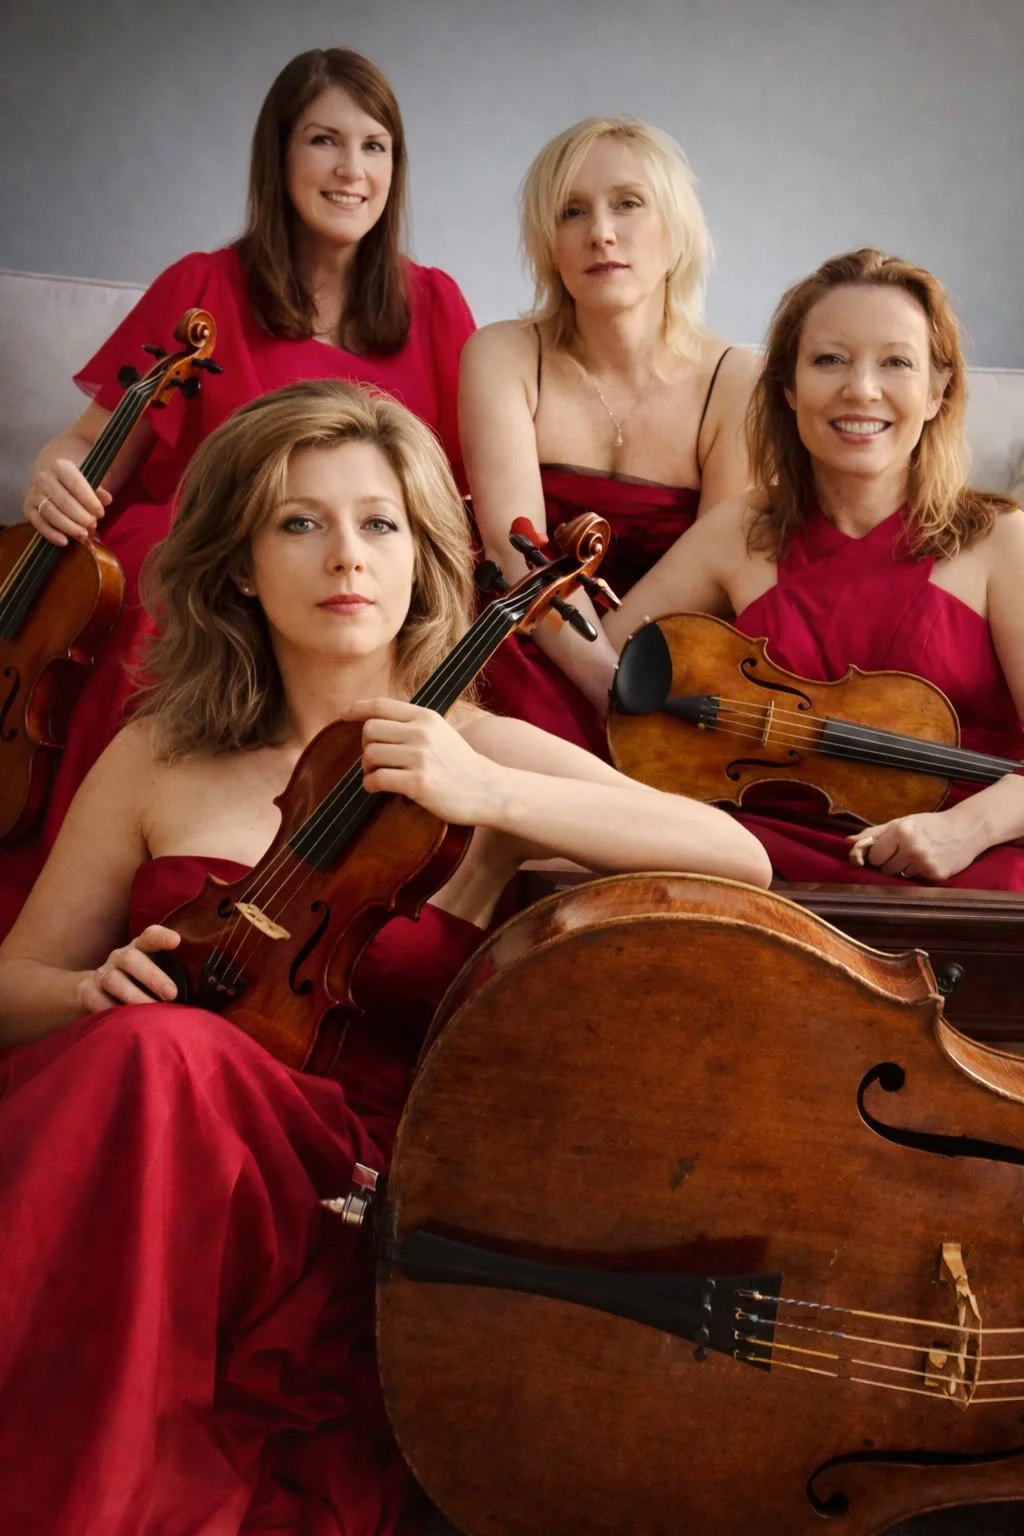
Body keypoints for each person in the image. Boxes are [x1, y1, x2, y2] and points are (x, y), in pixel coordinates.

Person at [0, 379, 769, 1535]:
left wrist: (486, 789)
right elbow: (15, 985)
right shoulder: (158, 753)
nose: (343, 556)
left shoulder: (471, 744)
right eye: (298, 523)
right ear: (243, 566)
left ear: (419, 556)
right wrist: (83, 988)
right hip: (147, 1134)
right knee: (150, 1054)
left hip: (337, 1190)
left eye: (378, 523)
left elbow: (737, 855)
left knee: (156, 1062)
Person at [2, 45, 475, 937]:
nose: (351, 170)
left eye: (375, 147)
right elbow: (88, 445)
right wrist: (49, 475)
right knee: (154, 575)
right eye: (325, 141)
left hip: (355, 572)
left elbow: (456, 500)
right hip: (210, 562)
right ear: (279, 157)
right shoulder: (204, 287)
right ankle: (98, 895)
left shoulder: (436, 304)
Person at [605, 247, 1024, 889]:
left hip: (964, 863)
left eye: (896, 362)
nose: (861, 388)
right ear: (789, 389)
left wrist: (969, 828)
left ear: (939, 389)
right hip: (761, 861)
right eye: (830, 360)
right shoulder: (742, 530)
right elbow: (611, 672)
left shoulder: (1001, 541)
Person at [460, 114, 758, 753]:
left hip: (667, 659)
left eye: (628, 205)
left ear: (674, 231)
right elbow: (514, 552)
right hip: (521, 646)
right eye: (572, 212)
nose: (600, 233)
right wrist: (607, 688)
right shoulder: (501, 354)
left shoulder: (738, 380)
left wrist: (634, 685)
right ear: (548, 243)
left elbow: (716, 572)